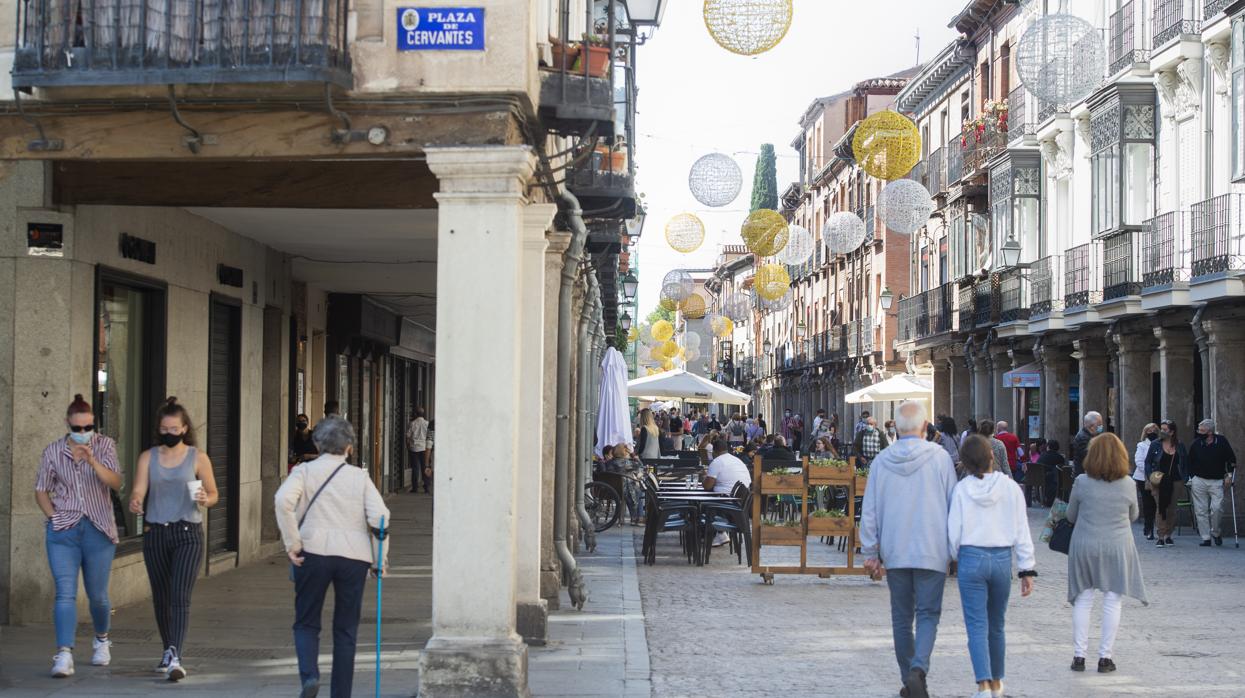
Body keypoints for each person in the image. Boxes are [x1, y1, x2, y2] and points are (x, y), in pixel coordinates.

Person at [275, 416, 391, 698]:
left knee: (306, 621)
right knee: (346, 629)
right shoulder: (359, 477)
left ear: (317, 443)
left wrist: (293, 542)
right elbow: (380, 517)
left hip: (312, 552)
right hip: (354, 556)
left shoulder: (303, 472)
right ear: (349, 447)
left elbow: (282, 501)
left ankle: (310, 677)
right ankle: (341, 693)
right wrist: (379, 560)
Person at [859, 401, 958, 698]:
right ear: (925, 427)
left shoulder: (881, 461)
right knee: (928, 614)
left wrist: (870, 552)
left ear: (896, 429)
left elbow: (870, 510)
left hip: (896, 548)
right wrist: (954, 550)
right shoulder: (940, 459)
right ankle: (918, 670)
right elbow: (954, 504)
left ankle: (909, 679)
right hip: (933, 548)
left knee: (901, 617)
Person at [128, 397, 220, 681]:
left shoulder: (197, 457)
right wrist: (135, 500)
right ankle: (168, 648)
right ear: (159, 429)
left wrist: (206, 498)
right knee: (161, 596)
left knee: (179, 596)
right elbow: (139, 489)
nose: (169, 433)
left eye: (174, 428)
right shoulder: (148, 457)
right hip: (156, 532)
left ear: (184, 428)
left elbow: (214, 494)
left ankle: (175, 655)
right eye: (164, 428)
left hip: (187, 532)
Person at [36, 394, 124, 678]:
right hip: (64, 531)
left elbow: (116, 482)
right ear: (67, 424)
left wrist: (93, 461)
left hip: (98, 530)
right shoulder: (52, 451)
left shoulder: (105, 445)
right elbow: (41, 490)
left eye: (88, 427)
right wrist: (54, 518)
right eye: (78, 428)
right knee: (65, 592)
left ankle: (101, 639)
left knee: (97, 595)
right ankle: (63, 653)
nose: (83, 433)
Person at [947, 435, 1037, 698]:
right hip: (1000, 558)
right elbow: (1021, 529)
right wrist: (1026, 569)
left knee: (976, 625)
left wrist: (954, 555)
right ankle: (998, 683)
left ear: (965, 462)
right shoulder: (1010, 488)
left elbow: (954, 531)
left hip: (971, 557)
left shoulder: (962, 490)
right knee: (997, 624)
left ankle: (983, 685)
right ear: (991, 456)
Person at [1066, 433, 1148, 674]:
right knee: (1113, 600)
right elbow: (1134, 516)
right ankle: (1105, 657)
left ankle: (1079, 656)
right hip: (1117, 546)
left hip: (1085, 545)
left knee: (1083, 599)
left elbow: (1071, 515)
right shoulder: (1128, 483)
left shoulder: (1081, 481)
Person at [1187, 418, 1236, 547]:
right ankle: (1206, 537)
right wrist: (1191, 477)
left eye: (1202, 430)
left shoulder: (1221, 441)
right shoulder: (1196, 443)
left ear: (1209, 432)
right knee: (1200, 510)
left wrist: (1229, 475)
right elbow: (1189, 461)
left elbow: (1231, 459)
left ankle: (1216, 532)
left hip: (1217, 480)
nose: (1199, 432)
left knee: (1217, 508)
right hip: (1199, 480)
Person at [1144, 420, 1187, 548]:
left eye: (1165, 429)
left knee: (1172, 509)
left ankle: (1169, 535)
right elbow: (1148, 462)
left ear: (1172, 432)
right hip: (1159, 480)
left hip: (1176, 480)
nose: (1162, 431)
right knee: (1161, 507)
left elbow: (1185, 462)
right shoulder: (1155, 444)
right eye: (1161, 429)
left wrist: (1185, 477)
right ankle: (1161, 536)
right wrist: (1150, 476)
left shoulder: (1180, 445)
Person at [704, 439, 754, 547]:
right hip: (740, 503)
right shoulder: (737, 461)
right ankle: (718, 532)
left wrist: (703, 477)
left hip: (726, 503)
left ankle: (718, 532)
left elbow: (707, 486)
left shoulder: (717, 462)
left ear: (715, 451)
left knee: (703, 504)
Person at [1132, 423, 1160, 540]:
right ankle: (1148, 528)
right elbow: (1139, 461)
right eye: (1149, 430)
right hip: (1143, 478)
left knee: (1157, 504)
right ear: (1145, 432)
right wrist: (1150, 473)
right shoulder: (1142, 445)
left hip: (1159, 477)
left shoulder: (1161, 444)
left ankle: (1159, 528)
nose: (1152, 432)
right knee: (1148, 503)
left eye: (1154, 430)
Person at [607, 444, 646, 525]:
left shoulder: (610, 462)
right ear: (623, 451)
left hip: (613, 489)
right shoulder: (626, 462)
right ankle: (638, 518)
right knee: (640, 491)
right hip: (625, 488)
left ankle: (635, 518)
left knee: (636, 490)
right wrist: (632, 454)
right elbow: (641, 466)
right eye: (626, 450)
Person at [1071, 411, 1104, 476]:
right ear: (1091, 427)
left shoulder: (1092, 435)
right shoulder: (1083, 438)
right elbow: (1090, 457)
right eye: (1099, 424)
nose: (1102, 426)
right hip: (1084, 475)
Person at [405, 408, 430, 494]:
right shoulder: (427, 424)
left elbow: (408, 436)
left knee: (415, 469)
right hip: (424, 448)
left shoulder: (412, 423)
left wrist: (408, 447)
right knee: (425, 467)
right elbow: (429, 437)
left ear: (416, 414)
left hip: (414, 448)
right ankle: (426, 487)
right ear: (423, 414)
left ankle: (415, 488)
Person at [1037, 440, 1067, 507]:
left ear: (1048, 447)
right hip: (1054, 481)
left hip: (1039, 478)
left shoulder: (1042, 455)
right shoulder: (1060, 457)